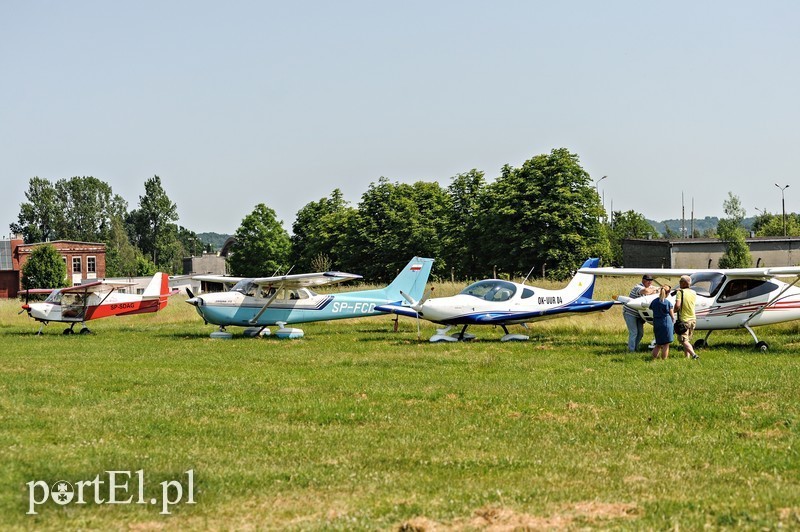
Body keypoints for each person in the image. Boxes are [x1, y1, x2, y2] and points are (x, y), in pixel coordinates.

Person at [623, 274, 658, 352]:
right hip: (630, 312)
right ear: (643, 280)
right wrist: (655, 289)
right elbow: (646, 291)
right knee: (634, 332)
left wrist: (656, 289)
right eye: (647, 280)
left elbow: (656, 290)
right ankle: (631, 350)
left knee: (640, 333)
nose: (649, 282)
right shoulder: (637, 287)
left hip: (640, 314)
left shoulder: (651, 287)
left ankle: (635, 347)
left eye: (651, 281)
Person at [674, 274, 699, 360]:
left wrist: (673, 311)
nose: (679, 283)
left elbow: (677, 306)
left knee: (683, 340)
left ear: (684, 283)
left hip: (684, 320)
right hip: (693, 319)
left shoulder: (679, 292)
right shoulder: (693, 292)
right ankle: (686, 358)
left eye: (680, 282)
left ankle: (694, 355)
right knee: (687, 340)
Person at [649, 285, 675, 359]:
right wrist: (673, 319)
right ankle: (664, 359)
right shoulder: (667, 303)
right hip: (666, 322)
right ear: (667, 293)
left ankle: (653, 358)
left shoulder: (654, 301)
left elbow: (651, 308)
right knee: (666, 343)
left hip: (657, 322)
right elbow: (672, 315)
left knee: (658, 343)